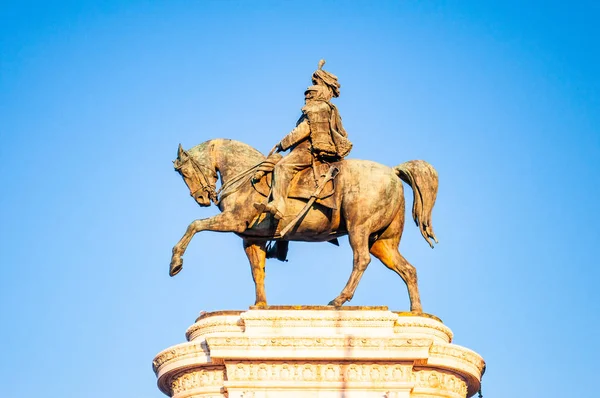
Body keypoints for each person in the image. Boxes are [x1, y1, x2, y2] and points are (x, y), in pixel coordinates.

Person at [256, 60, 352, 220]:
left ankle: (278, 204)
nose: (308, 94)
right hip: (313, 150)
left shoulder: (317, 108)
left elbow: (303, 130)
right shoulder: (328, 108)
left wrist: (282, 144)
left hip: (309, 150)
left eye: (313, 87)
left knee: (282, 167)